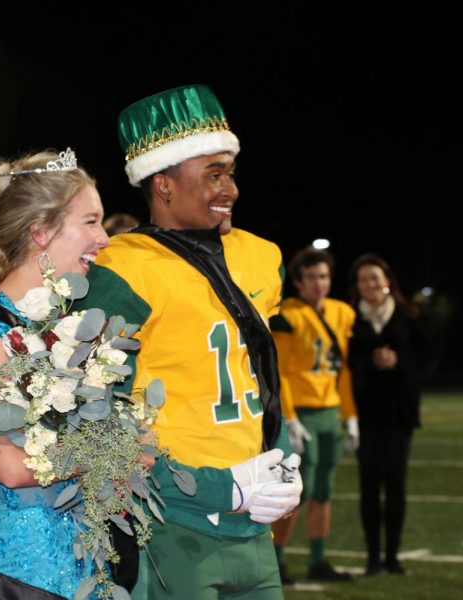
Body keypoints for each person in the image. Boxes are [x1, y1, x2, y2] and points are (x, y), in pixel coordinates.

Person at [77, 84, 302, 599]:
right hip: (175, 526)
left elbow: (261, 374)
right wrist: (217, 488)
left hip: (253, 521)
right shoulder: (123, 270)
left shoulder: (260, 255)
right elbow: (97, 419)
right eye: (214, 175)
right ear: (164, 185)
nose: (232, 189)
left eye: (231, 173)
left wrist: (282, 458)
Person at [0, 148, 108, 598]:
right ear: (40, 231)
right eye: (90, 221)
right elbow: (9, 466)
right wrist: (106, 457)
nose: (105, 238)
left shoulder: (65, 326)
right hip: (27, 565)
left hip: (79, 546)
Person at [269, 248, 358, 584]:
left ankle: (319, 560)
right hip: (302, 412)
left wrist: (351, 415)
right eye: (311, 277)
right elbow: (282, 372)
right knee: (296, 491)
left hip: (330, 411)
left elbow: (343, 370)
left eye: (323, 276)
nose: (319, 283)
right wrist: (290, 417)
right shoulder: (288, 314)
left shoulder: (342, 312)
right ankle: (276, 561)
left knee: (324, 490)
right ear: (298, 281)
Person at [348, 253, 428, 577]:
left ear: (387, 281)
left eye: (375, 278)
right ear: (357, 286)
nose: (370, 284)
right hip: (365, 413)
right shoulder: (349, 318)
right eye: (364, 279)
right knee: (369, 485)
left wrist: (399, 362)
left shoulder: (408, 316)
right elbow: (346, 362)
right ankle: (372, 558)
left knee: (396, 483)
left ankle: (393, 556)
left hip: (399, 413)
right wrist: (370, 363)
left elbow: (428, 359)